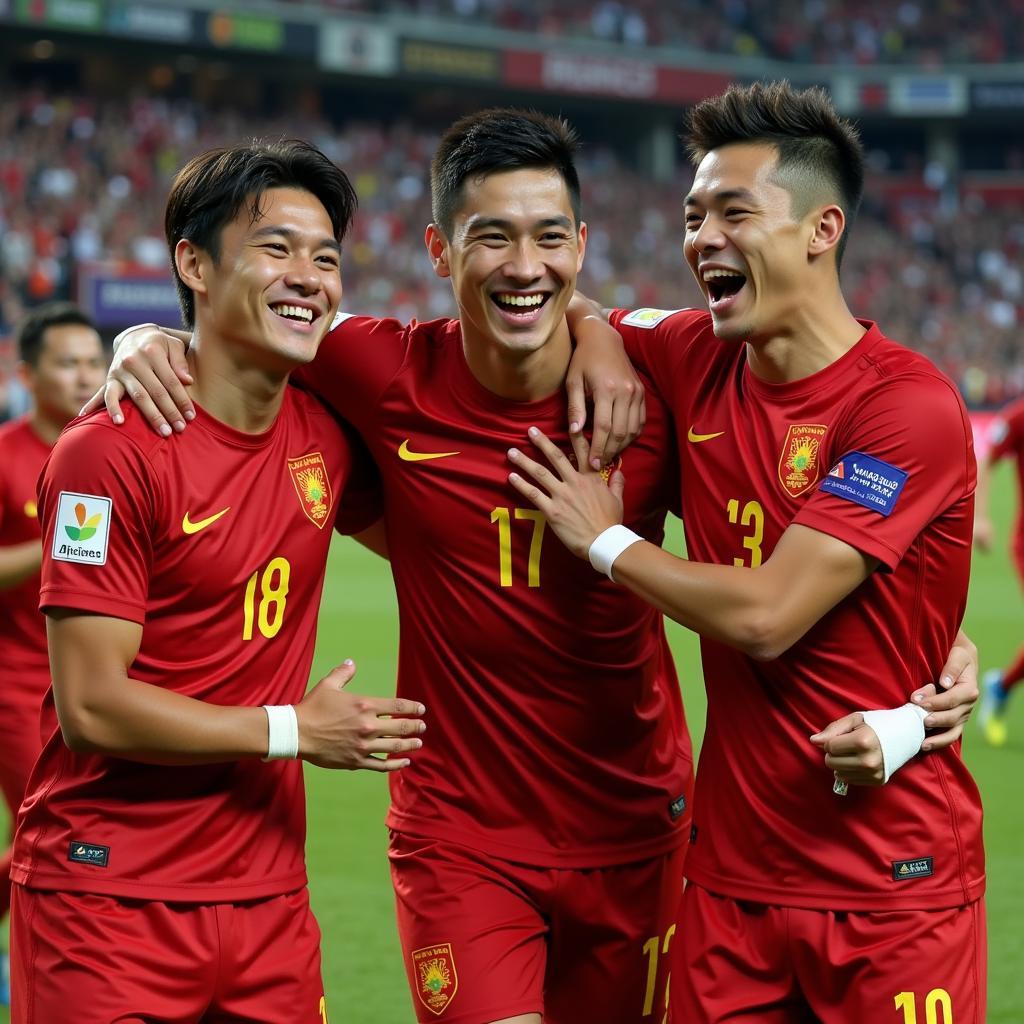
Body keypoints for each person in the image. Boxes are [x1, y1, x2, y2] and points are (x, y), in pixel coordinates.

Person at [96, 109, 979, 1024]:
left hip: (639, 831)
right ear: (440, 253)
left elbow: (809, 579)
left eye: (550, 238)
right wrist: (148, 340)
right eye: (493, 238)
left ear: (582, 246)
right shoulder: (383, 365)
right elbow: (255, 318)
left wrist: (934, 647)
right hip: (461, 836)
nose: (525, 265)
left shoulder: (665, 379)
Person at [506, 82, 986, 1023]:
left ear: (821, 229)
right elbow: (574, 304)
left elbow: (768, 617)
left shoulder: (906, 407)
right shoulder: (694, 355)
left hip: (891, 881)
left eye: (734, 212)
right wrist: (599, 336)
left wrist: (602, 538)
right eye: (693, 217)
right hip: (731, 885)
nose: (701, 240)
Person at [9, 140, 427, 1023]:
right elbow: (91, 707)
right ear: (193, 264)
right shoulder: (108, 452)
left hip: (268, 903)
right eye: (276, 248)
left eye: (325, 257)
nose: (308, 276)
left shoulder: (326, 434)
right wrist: (291, 729)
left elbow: (441, 542)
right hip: (108, 899)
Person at [0, 303, 107, 1002]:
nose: (83, 377)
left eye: (93, 362)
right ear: (28, 373)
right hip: (17, 682)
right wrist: (63, 549)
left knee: (79, 831)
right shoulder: (6, 457)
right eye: (67, 364)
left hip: (98, 678)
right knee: (59, 826)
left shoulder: (109, 445)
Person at [974, 397, 1024, 745]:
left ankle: (1002, 685)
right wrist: (979, 517)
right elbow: (985, 460)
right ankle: (1001, 687)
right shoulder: (1018, 416)